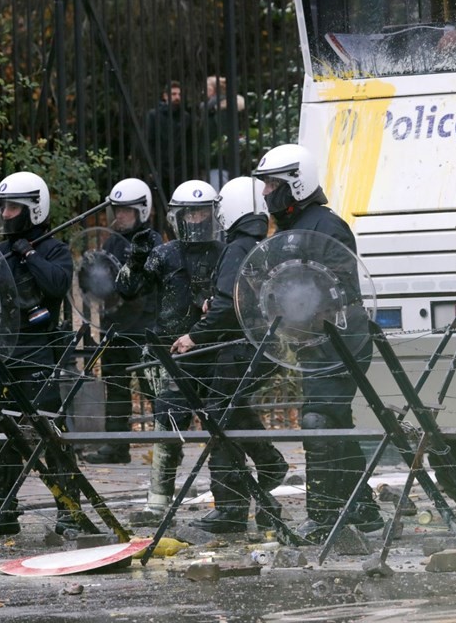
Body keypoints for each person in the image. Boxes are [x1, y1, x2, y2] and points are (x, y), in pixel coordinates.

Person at [252, 143, 384, 542]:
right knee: (335, 424)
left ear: (296, 182)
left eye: (273, 184)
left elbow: (336, 290)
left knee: (319, 422)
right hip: (318, 343)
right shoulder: (293, 231)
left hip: (341, 341)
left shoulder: (327, 228)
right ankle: (364, 513)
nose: (266, 193)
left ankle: (325, 516)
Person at [171, 177, 289, 534]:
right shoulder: (259, 245)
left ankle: (231, 508)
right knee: (231, 409)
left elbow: (225, 305)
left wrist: (194, 334)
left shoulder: (237, 248)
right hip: (258, 346)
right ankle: (269, 464)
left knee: (219, 416)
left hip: (236, 348)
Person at [0, 171, 80, 538]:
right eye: (2, 206)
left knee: (48, 431)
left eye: (13, 206)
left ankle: (69, 510)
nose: (5, 213)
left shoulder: (54, 249)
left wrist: (30, 253)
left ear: (34, 208)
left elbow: (57, 285)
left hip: (36, 353)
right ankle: (3, 510)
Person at [116, 179, 225, 524]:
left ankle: (257, 479)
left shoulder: (224, 252)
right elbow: (128, 288)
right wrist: (136, 255)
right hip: (170, 353)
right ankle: (157, 504)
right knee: (168, 424)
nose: (194, 220)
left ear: (212, 214)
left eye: (201, 212)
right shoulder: (165, 253)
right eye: (187, 213)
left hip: (214, 348)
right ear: (177, 216)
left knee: (226, 422)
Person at [81, 179, 162, 465]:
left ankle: (168, 441)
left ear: (142, 210)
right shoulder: (112, 241)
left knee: (153, 387)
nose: (119, 216)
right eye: (117, 210)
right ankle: (116, 446)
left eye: (126, 211)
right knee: (115, 384)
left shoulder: (153, 241)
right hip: (115, 325)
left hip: (142, 326)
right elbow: (101, 283)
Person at [146, 81, 195, 202]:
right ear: (165, 96)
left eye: (179, 94)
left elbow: (190, 145)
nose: (177, 97)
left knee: (180, 204)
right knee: (161, 205)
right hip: (160, 169)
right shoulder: (153, 115)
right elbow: (149, 143)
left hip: (180, 170)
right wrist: (151, 168)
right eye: (173, 94)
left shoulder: (186, 117)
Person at [202, 76, 246, 191]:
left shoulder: (212, 109)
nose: (203, 91)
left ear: (212, 89)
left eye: (206, 88)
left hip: (217, 160)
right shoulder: (231, 106)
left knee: (219, 196)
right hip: (230, 159)